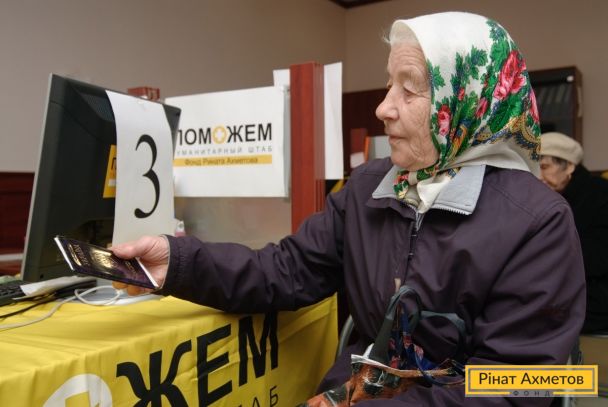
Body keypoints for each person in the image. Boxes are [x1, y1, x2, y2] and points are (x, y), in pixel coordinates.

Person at [112, 12, 585, 406]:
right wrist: (177, 261)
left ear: (469, 100)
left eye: (410, 90)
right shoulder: (369, 188)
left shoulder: (539, 222)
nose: (384, 107)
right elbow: (284, 270)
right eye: (389, 85)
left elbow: (513, 385)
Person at [540, 131, 608, 333]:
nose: (539, 176)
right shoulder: (551, 197)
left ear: (569, 166)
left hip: (595, 304)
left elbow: (595, 258)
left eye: (545, 167)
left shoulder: (600, 195)